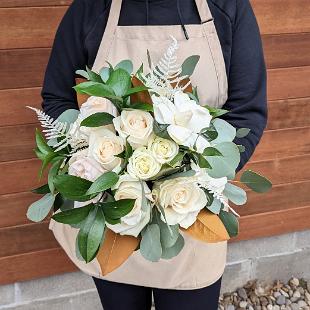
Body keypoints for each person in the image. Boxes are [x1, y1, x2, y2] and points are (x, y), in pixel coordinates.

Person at [41, 0, 267, 309]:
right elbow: (56, 96)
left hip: (192, 208)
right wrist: (91, 159)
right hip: (114, 215)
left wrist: (198, 175)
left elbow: (247, 111)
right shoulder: (93, 8)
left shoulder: (228, 7)